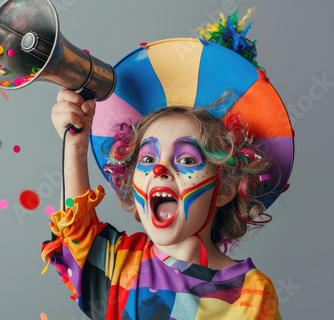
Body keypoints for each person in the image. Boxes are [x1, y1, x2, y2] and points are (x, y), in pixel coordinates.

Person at [41, 9, 293, 320]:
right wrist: (76, 144)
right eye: (147, 159)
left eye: (186, 159)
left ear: (225, 186)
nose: (159, 170)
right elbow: (74, 236)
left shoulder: (250, 294)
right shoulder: (119, 265)